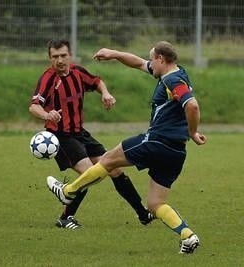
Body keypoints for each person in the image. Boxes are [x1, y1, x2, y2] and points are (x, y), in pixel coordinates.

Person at [46, 41, 206, 253]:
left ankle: (68, 191)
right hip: (176, 151)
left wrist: (193, 131)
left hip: (157, 141)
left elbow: (192, 105)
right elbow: (139, 63)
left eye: (152, 59)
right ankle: (188, 236)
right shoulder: (175, 72)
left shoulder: (173, 80)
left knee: (108, 159)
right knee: (155, 204)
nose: (150, 63)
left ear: (160, 58)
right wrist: (114, 53)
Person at [29, 39, 154, 229]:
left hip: (80, 133)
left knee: (115, 170)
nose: (60, 60)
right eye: (55, 57)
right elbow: (34, 106)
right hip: (61, 136)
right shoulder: (48, 78)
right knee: (89, 174)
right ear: (50, 58)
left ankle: (143, 214)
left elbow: (96, 82)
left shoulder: (78, 72)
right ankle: (64, 216)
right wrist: (47, 114)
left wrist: (105, 93)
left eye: (63, 55)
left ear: (70, 55)